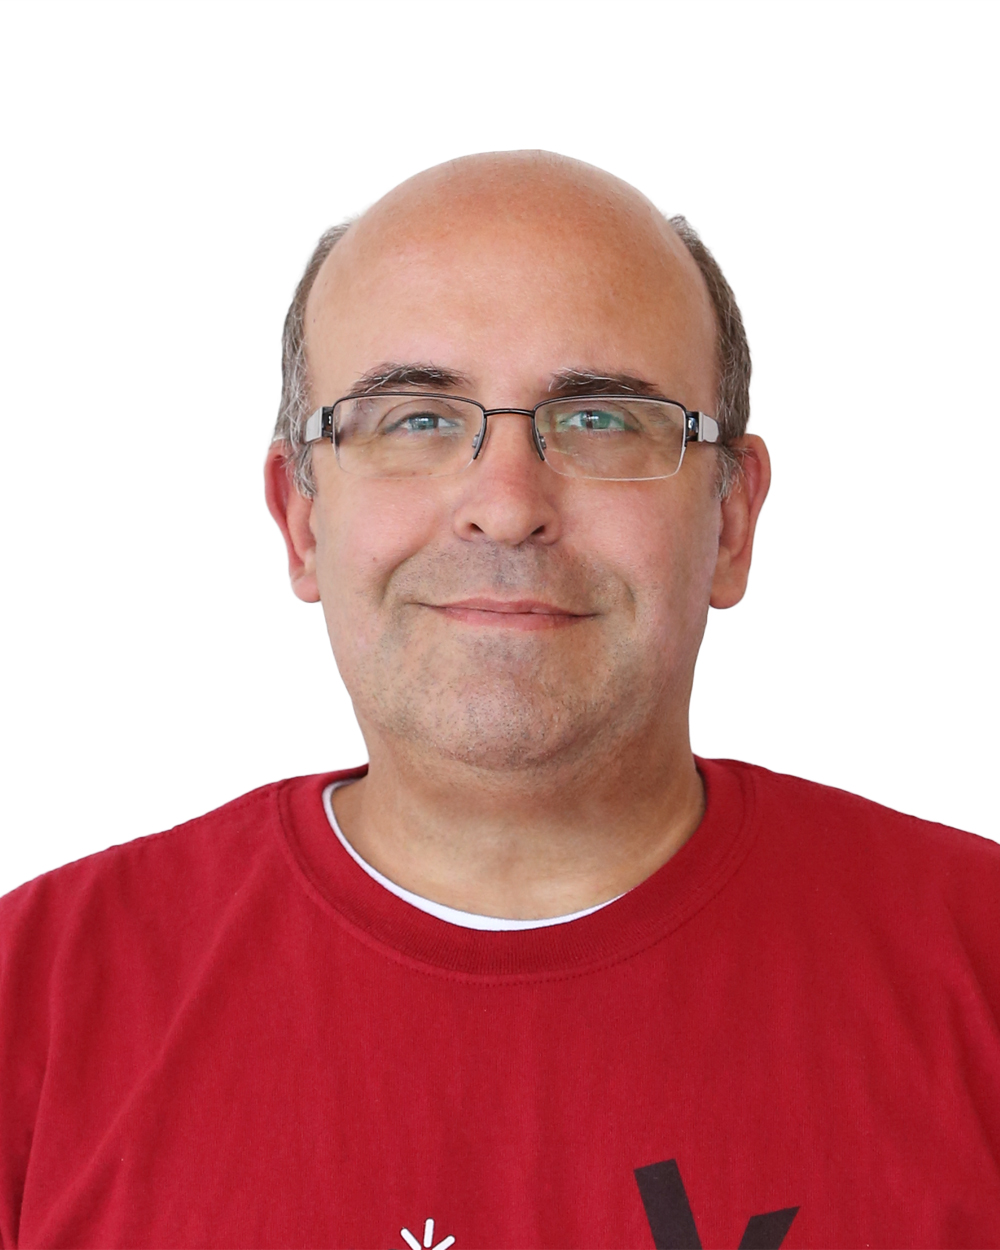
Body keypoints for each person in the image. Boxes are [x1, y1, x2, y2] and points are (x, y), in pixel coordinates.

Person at [1, 151, 998, 1250]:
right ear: (301, 520)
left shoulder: (979, 962)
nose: (507, 505)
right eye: (416, 419)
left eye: (601, 419)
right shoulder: (32, 1003)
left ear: (730, 521)